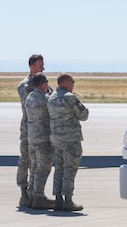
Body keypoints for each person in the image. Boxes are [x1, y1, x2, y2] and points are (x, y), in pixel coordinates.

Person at [48, 74, 89, 212]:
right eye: (72, 82)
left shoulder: (51, 98)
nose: (73, 84)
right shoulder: (70, 98)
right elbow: (84, 115)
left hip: (57, 140)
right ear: (66, 83)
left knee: (59, 168)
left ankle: (58, 199)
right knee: (70, 169)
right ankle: (68, 200)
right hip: (71, 140)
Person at [17, 54, 45, 207]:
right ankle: (23, 192)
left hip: (40, 128)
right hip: (28, 128)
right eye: (40, 65)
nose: (43, 68)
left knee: (37, 161)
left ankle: (34, 194)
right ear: (32, 66)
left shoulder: (43, 82)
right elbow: (34, 104)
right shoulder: (25, 86)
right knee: (25, 159)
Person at [25, 73, 56, 209]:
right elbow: (52, 103)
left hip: (32, 137)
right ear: (44, 84)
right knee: (43, 169)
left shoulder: (29, 98)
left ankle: (31, 195)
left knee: (34, 168)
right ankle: (39, 197)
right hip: (43, 138)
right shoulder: (44, 100)